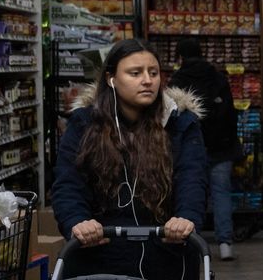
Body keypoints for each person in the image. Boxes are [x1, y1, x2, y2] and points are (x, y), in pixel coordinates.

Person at [52, 39, 208, 279]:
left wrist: (186, 219)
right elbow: (68, 182)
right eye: (135, 73)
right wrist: (78, 221)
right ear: (110, 78)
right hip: (100, 256)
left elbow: (192, 178)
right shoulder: (84, 124)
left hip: (166, 256)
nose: (147, 80)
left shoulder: (181, 125)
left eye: (153, 73)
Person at [167, 39, 241, 260]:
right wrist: (228, 139)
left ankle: (191, 243)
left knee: (189, 192)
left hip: (189, 148)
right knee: (221, 193)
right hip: (221, 147)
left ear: (181, 57)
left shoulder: (177, 80)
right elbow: (230, 113)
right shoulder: (218, 77)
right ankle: (225, 243)